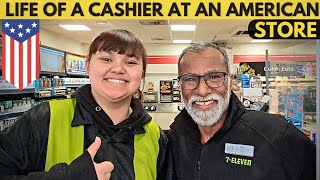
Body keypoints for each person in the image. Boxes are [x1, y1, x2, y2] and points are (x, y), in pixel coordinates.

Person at [0, 29, 168, 180]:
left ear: (142, 73)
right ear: (88, 66)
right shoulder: (44, 119)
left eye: (130, 62)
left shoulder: (154, 135)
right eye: (107, 59)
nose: (118, 69)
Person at [167, 41, 316, 180]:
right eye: (190, 79)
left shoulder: (277, 136)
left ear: (230, 81)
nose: (202, 90)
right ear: (180, 85)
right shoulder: (173, 141)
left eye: (214, 77)